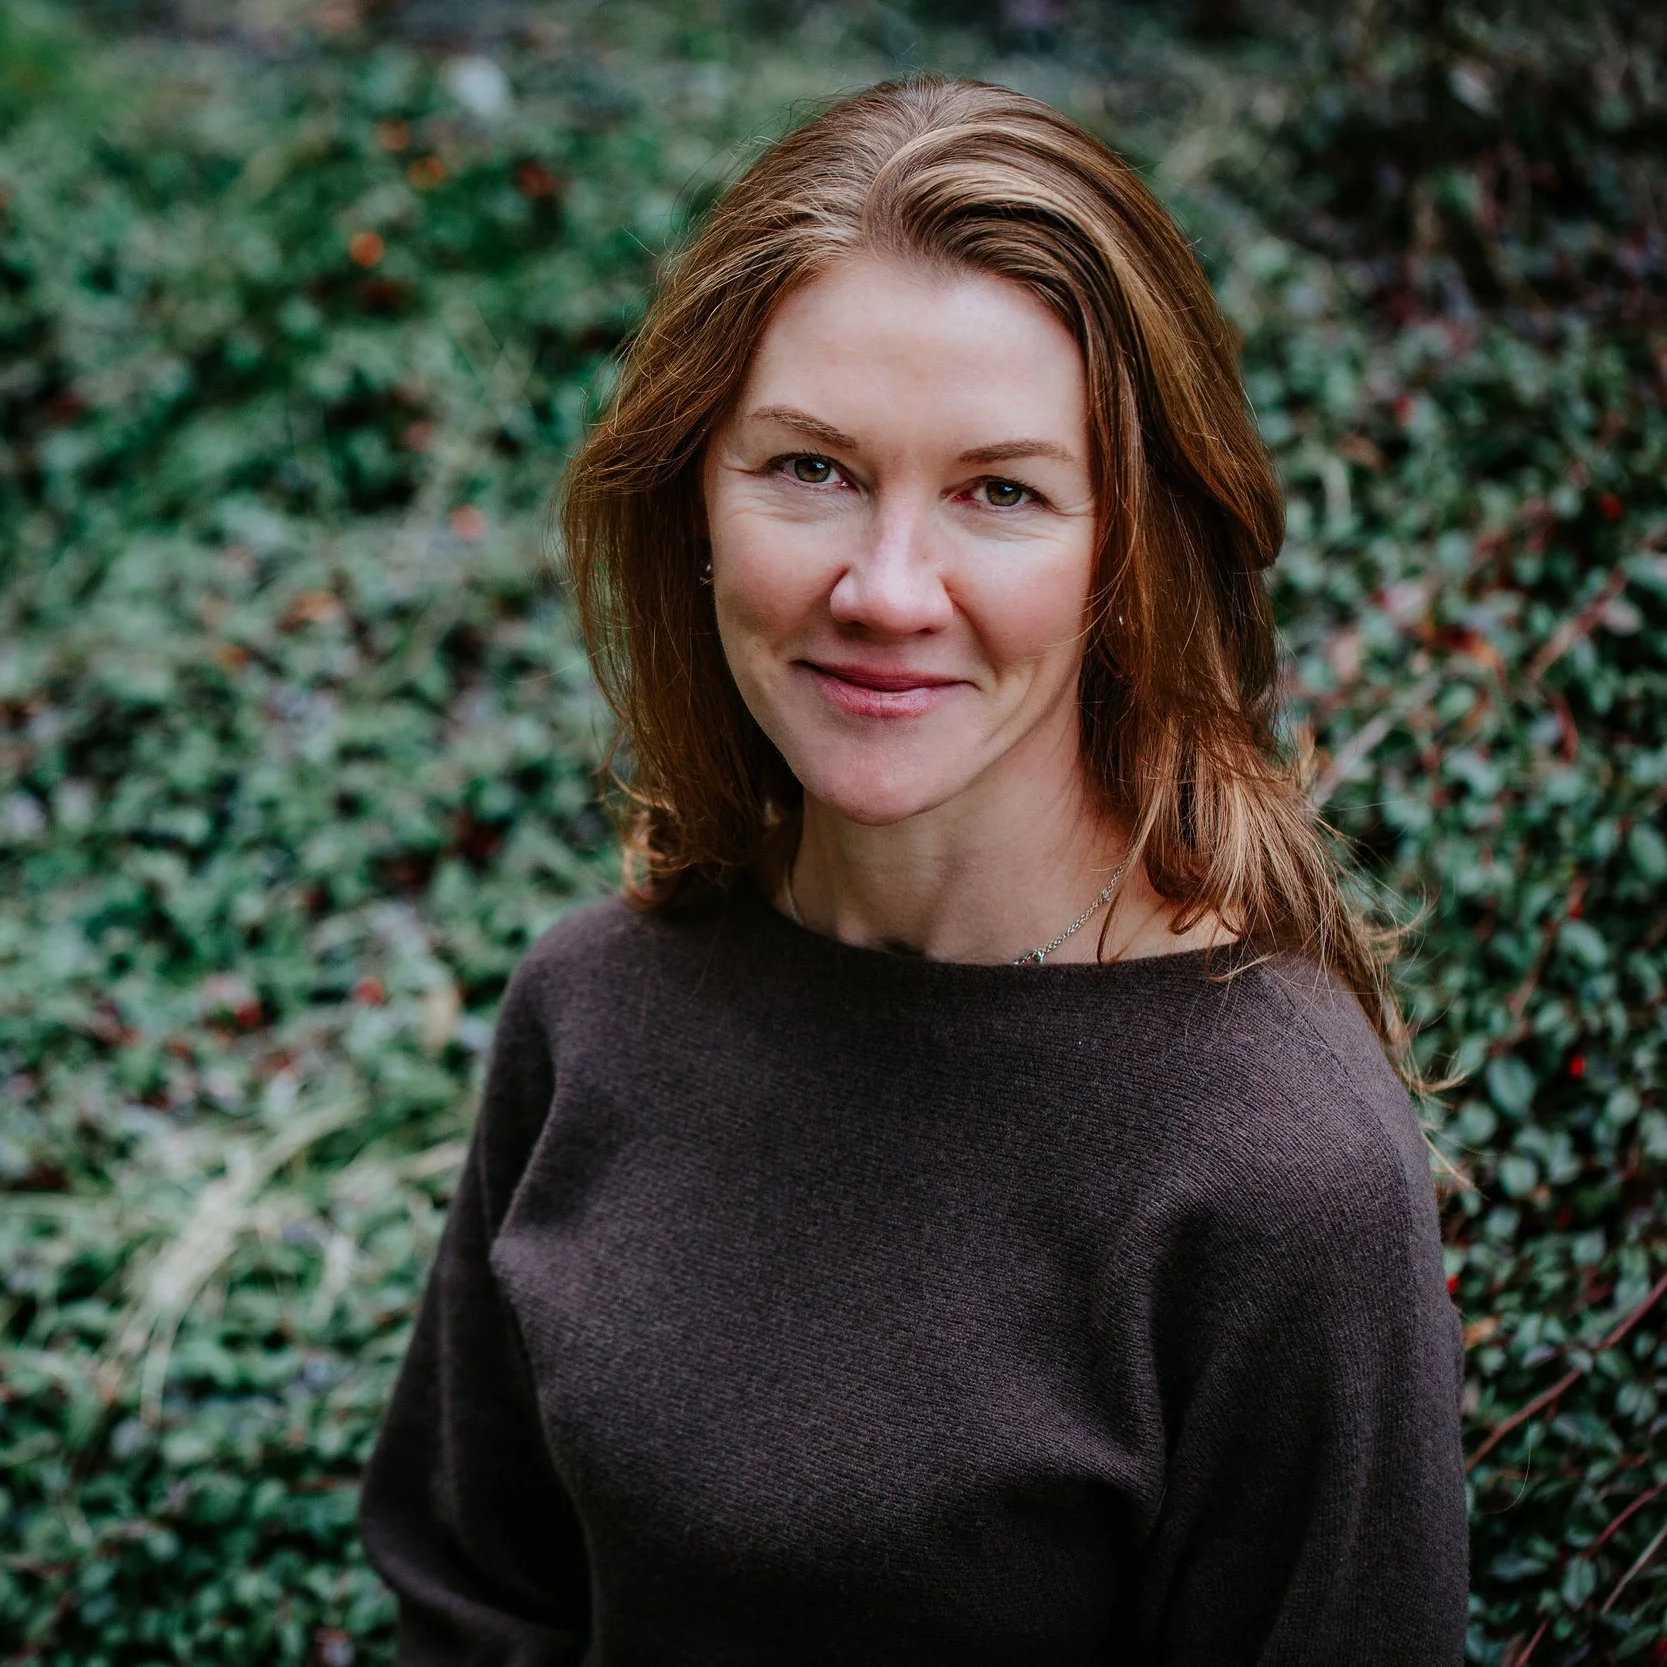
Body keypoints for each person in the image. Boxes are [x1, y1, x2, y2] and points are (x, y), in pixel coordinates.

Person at [356, 77, 1467, 1664]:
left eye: (999, 492)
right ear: (693, 497)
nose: (885, 588)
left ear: (1126, 554)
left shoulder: (1277, 1170)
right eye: (808, 467)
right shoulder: (592, 1005)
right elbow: (475, 1601)